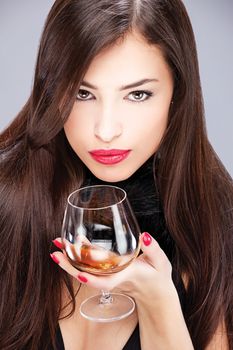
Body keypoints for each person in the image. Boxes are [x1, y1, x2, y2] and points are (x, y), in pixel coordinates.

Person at [0, 0, 232, 349]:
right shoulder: (9, 205)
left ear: (177, 94)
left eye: (137, 94)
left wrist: (158, 301)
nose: (106, 130)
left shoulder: (217, 223)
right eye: (82, 93)